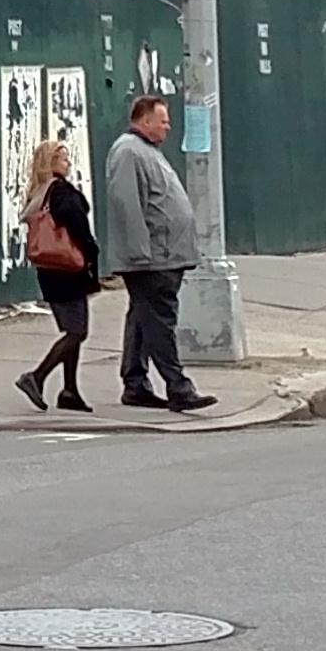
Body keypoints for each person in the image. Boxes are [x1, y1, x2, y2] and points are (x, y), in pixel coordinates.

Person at [95, 94, 212, 414]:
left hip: (163, 255)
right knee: (160, 321)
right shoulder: (129, 152)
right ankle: (178, 386)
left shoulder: (146, 151)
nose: (168, 126)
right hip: (152, 258)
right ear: (144, 121)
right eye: (163, 120)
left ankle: (135, 384)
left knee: (143, 319)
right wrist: (139, 253)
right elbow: (126, 204)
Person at [13, 138, 100, 412]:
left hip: (49, 271)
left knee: (71, 329)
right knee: (77, 331)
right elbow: (75, 221)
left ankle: (70, 391)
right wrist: (91, 248)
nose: (69, 162)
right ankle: (36, 377)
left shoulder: (39, 193)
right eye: (63, 158)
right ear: (51, 163)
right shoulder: (59, 191)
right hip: (68, 269)